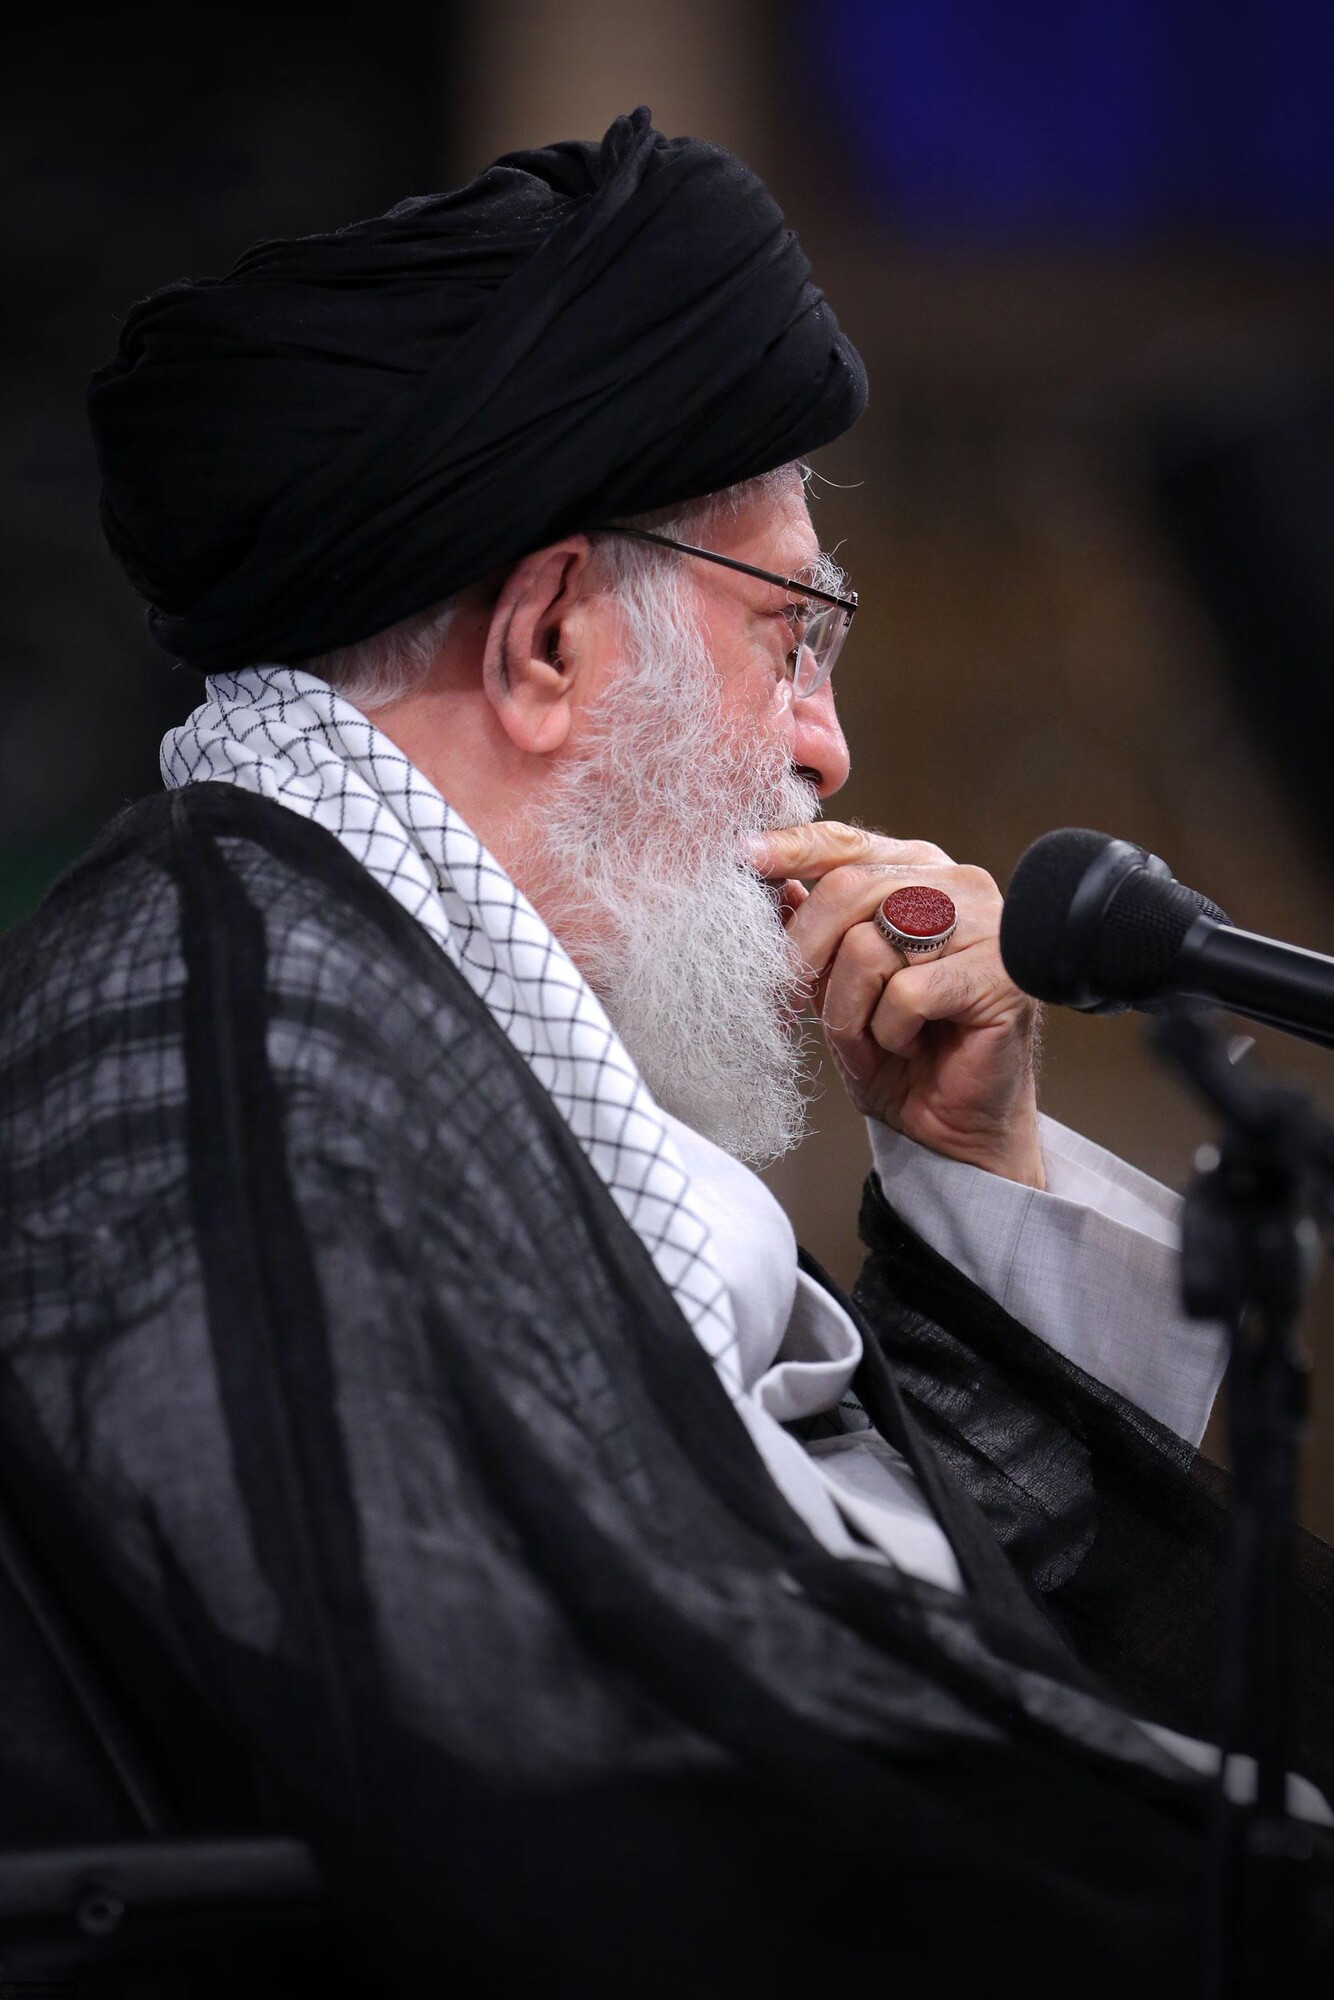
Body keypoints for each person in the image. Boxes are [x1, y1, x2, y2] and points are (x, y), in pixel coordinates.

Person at [2, 108, 1331, 1996]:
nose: (826, 749)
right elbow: (624, 1769)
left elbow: (829, 1614)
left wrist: (978, 1170)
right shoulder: (236, 1022)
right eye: (788, 636)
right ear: (547, 639)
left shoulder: (374, 986)